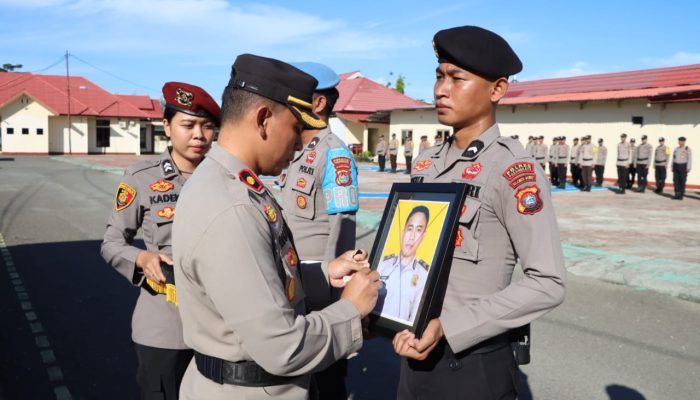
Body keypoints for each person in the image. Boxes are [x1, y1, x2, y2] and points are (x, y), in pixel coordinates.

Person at [171, 54, 382, 400]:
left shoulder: (236, 185)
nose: (300, 143)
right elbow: (282, 346)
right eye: (296, 128)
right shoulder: (232, 207)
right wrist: (350, 309)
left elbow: (260, 277)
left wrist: (325, 272)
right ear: (264, 119)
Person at [394, 26, 566, 400]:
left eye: (457, 78)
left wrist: (450, 327)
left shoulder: (512, 170)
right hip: (412, 354)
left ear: (497, 89)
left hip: (471, 366)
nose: (441, 89)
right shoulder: (426, 164)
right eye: (439, 76)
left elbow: (548, 283)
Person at [101, 82, 220, 400]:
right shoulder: (141, 177)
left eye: (208, 126)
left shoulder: (226, 177)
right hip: (165, 328)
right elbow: (112, 241)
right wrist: (141, 259)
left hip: (220, 328)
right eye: (188, 124)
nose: (199, 135)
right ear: (167, 126)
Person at [277, 61, 358, 400]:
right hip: (293, 289)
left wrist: (332, 304)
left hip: (320, 297)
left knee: (325, 387)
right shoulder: (294, 153)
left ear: (319, 103)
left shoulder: (334, 154)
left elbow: (343, 233)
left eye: (293, 98)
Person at [376, 206, 430, 323]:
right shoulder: (382, 265)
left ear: (423, 237)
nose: (412, 237)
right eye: (410, 229)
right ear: (403, 232)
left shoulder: (425, 276)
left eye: (418, 230)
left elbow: (414, 320)